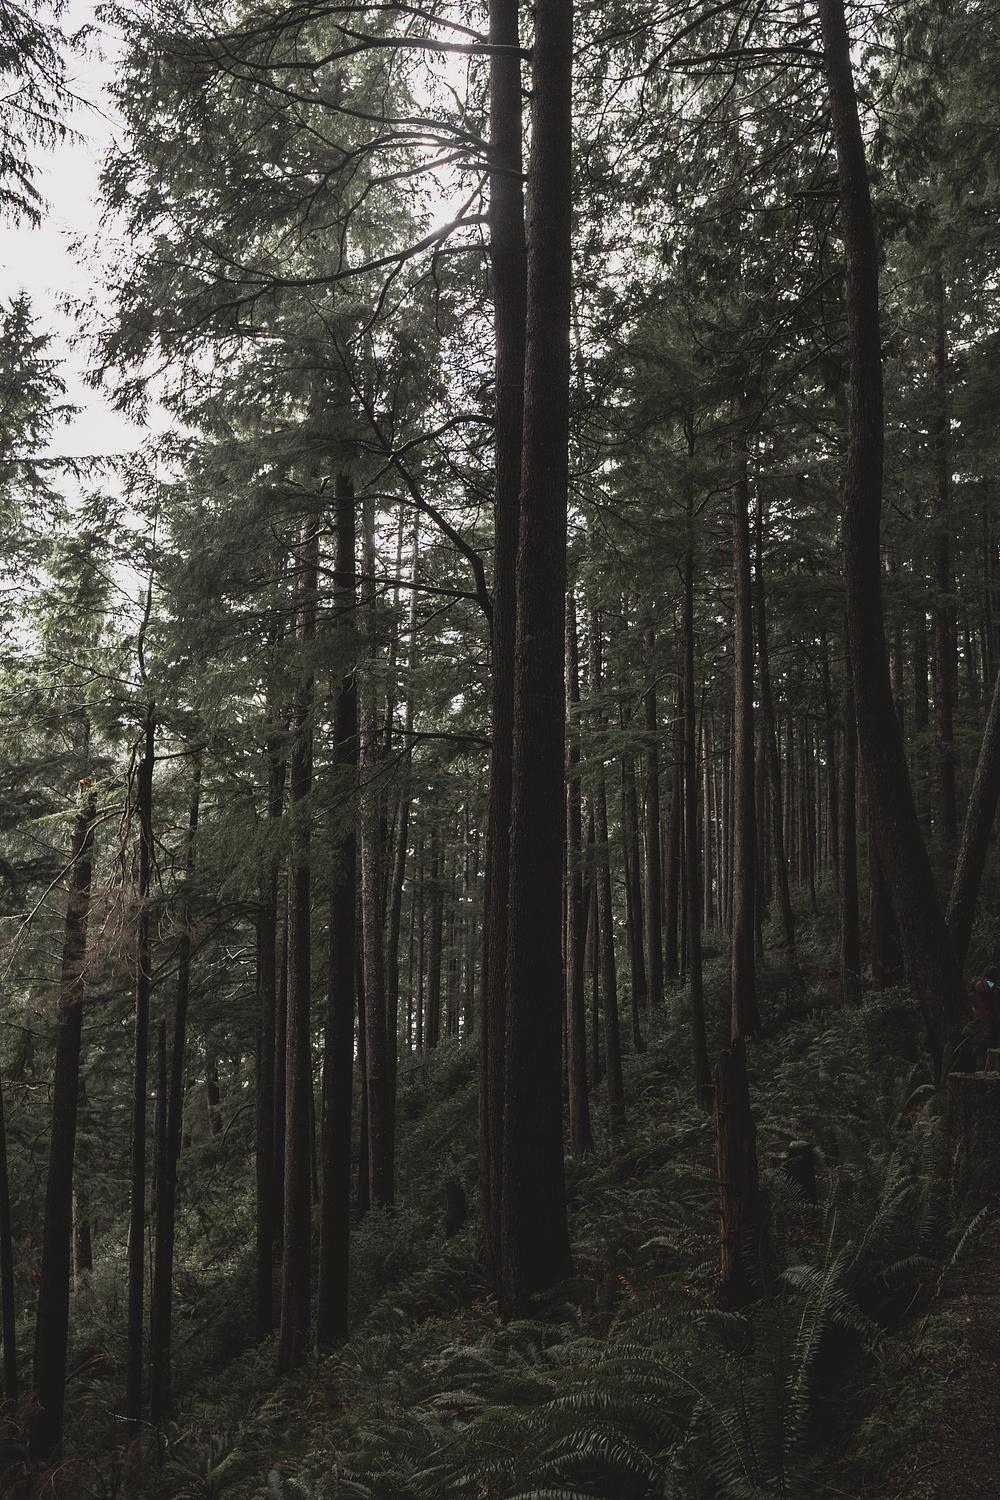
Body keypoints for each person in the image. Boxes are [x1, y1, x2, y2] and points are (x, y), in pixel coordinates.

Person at [974, 967, 1000, 1062]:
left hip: (979, 1016)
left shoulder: (978, 984)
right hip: (991, 1017)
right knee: (993, 1042)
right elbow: (996, 1004)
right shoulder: (995, 988)